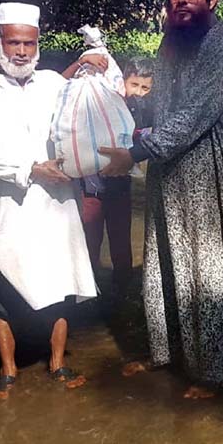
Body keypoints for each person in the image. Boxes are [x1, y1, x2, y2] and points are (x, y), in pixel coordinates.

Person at [101, 0, 223, 398]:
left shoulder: (222, 46)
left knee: (210, 270)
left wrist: (134, 153)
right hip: (171, 170)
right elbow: (160, 107)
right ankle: (169, 352)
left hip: (214, 176)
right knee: (166, 263)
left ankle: (215, 371)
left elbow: (196, 115)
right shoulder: (169, 42)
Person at [0, 2, 97, 400]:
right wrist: (32, 168)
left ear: (38, 44)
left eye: (29, 43)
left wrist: (94, 69)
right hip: (9, 205)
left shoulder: (55, 86)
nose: (21, 51)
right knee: (4, 287)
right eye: (14, 43)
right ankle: (7, 371)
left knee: (61, 281)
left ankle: (57, 363)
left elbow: (82, 122)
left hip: (56, 203)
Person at [79, 57, 154, 298]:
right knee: (89, 239)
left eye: (145, 88)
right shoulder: (107, 102)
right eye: (135, 85)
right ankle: (86, 290)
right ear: (123, 81)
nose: (139, 93)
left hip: (120, 186)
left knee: (121, 242)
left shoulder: (145, 111)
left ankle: (122, 292)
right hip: (92, 187)